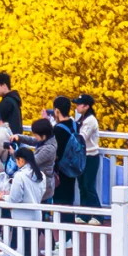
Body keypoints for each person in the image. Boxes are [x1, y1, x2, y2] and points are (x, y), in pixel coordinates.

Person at [7, 145, 44, 255]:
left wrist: (4, 197)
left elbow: (15, 199)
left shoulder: (19, 176)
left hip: (21, 219)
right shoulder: (41, 175)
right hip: (36, 218)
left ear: (21, 160)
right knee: (31, 253)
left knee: (21, 254)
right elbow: (42, 193)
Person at [51, 96, 82, 225]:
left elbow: (54, 150)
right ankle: (69, 231)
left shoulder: (57, 129)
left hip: (61, 169)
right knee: (69, 199)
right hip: (73, 166)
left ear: (57, 110)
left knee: (60, 201)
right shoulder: (75, 125)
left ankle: (64, 232)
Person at [76, 94, 101, 215]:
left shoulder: (90, 120)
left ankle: (98, 214)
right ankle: (84, 214)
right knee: (82, 186)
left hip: (91, 156)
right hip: (82, 156)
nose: (77, 106)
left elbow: (82, 137)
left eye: (79, 104)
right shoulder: (82, 118)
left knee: (88, 186)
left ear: (87, 106)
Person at [28, 117, 58, 204]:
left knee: (42, 210)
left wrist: (15, 154)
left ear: (43, 136)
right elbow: (33, 140)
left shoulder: (48, 149)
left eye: (36, 135)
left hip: (44, 188)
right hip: (41, 184)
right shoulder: (47, 140)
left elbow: (32, 161)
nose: (34, 137)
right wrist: (19, 137)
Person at [0, 71, 23, 136]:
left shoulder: (6, 102)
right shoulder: (14, 99)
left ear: (4, 86)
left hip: (8, 139)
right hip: (14, 138)